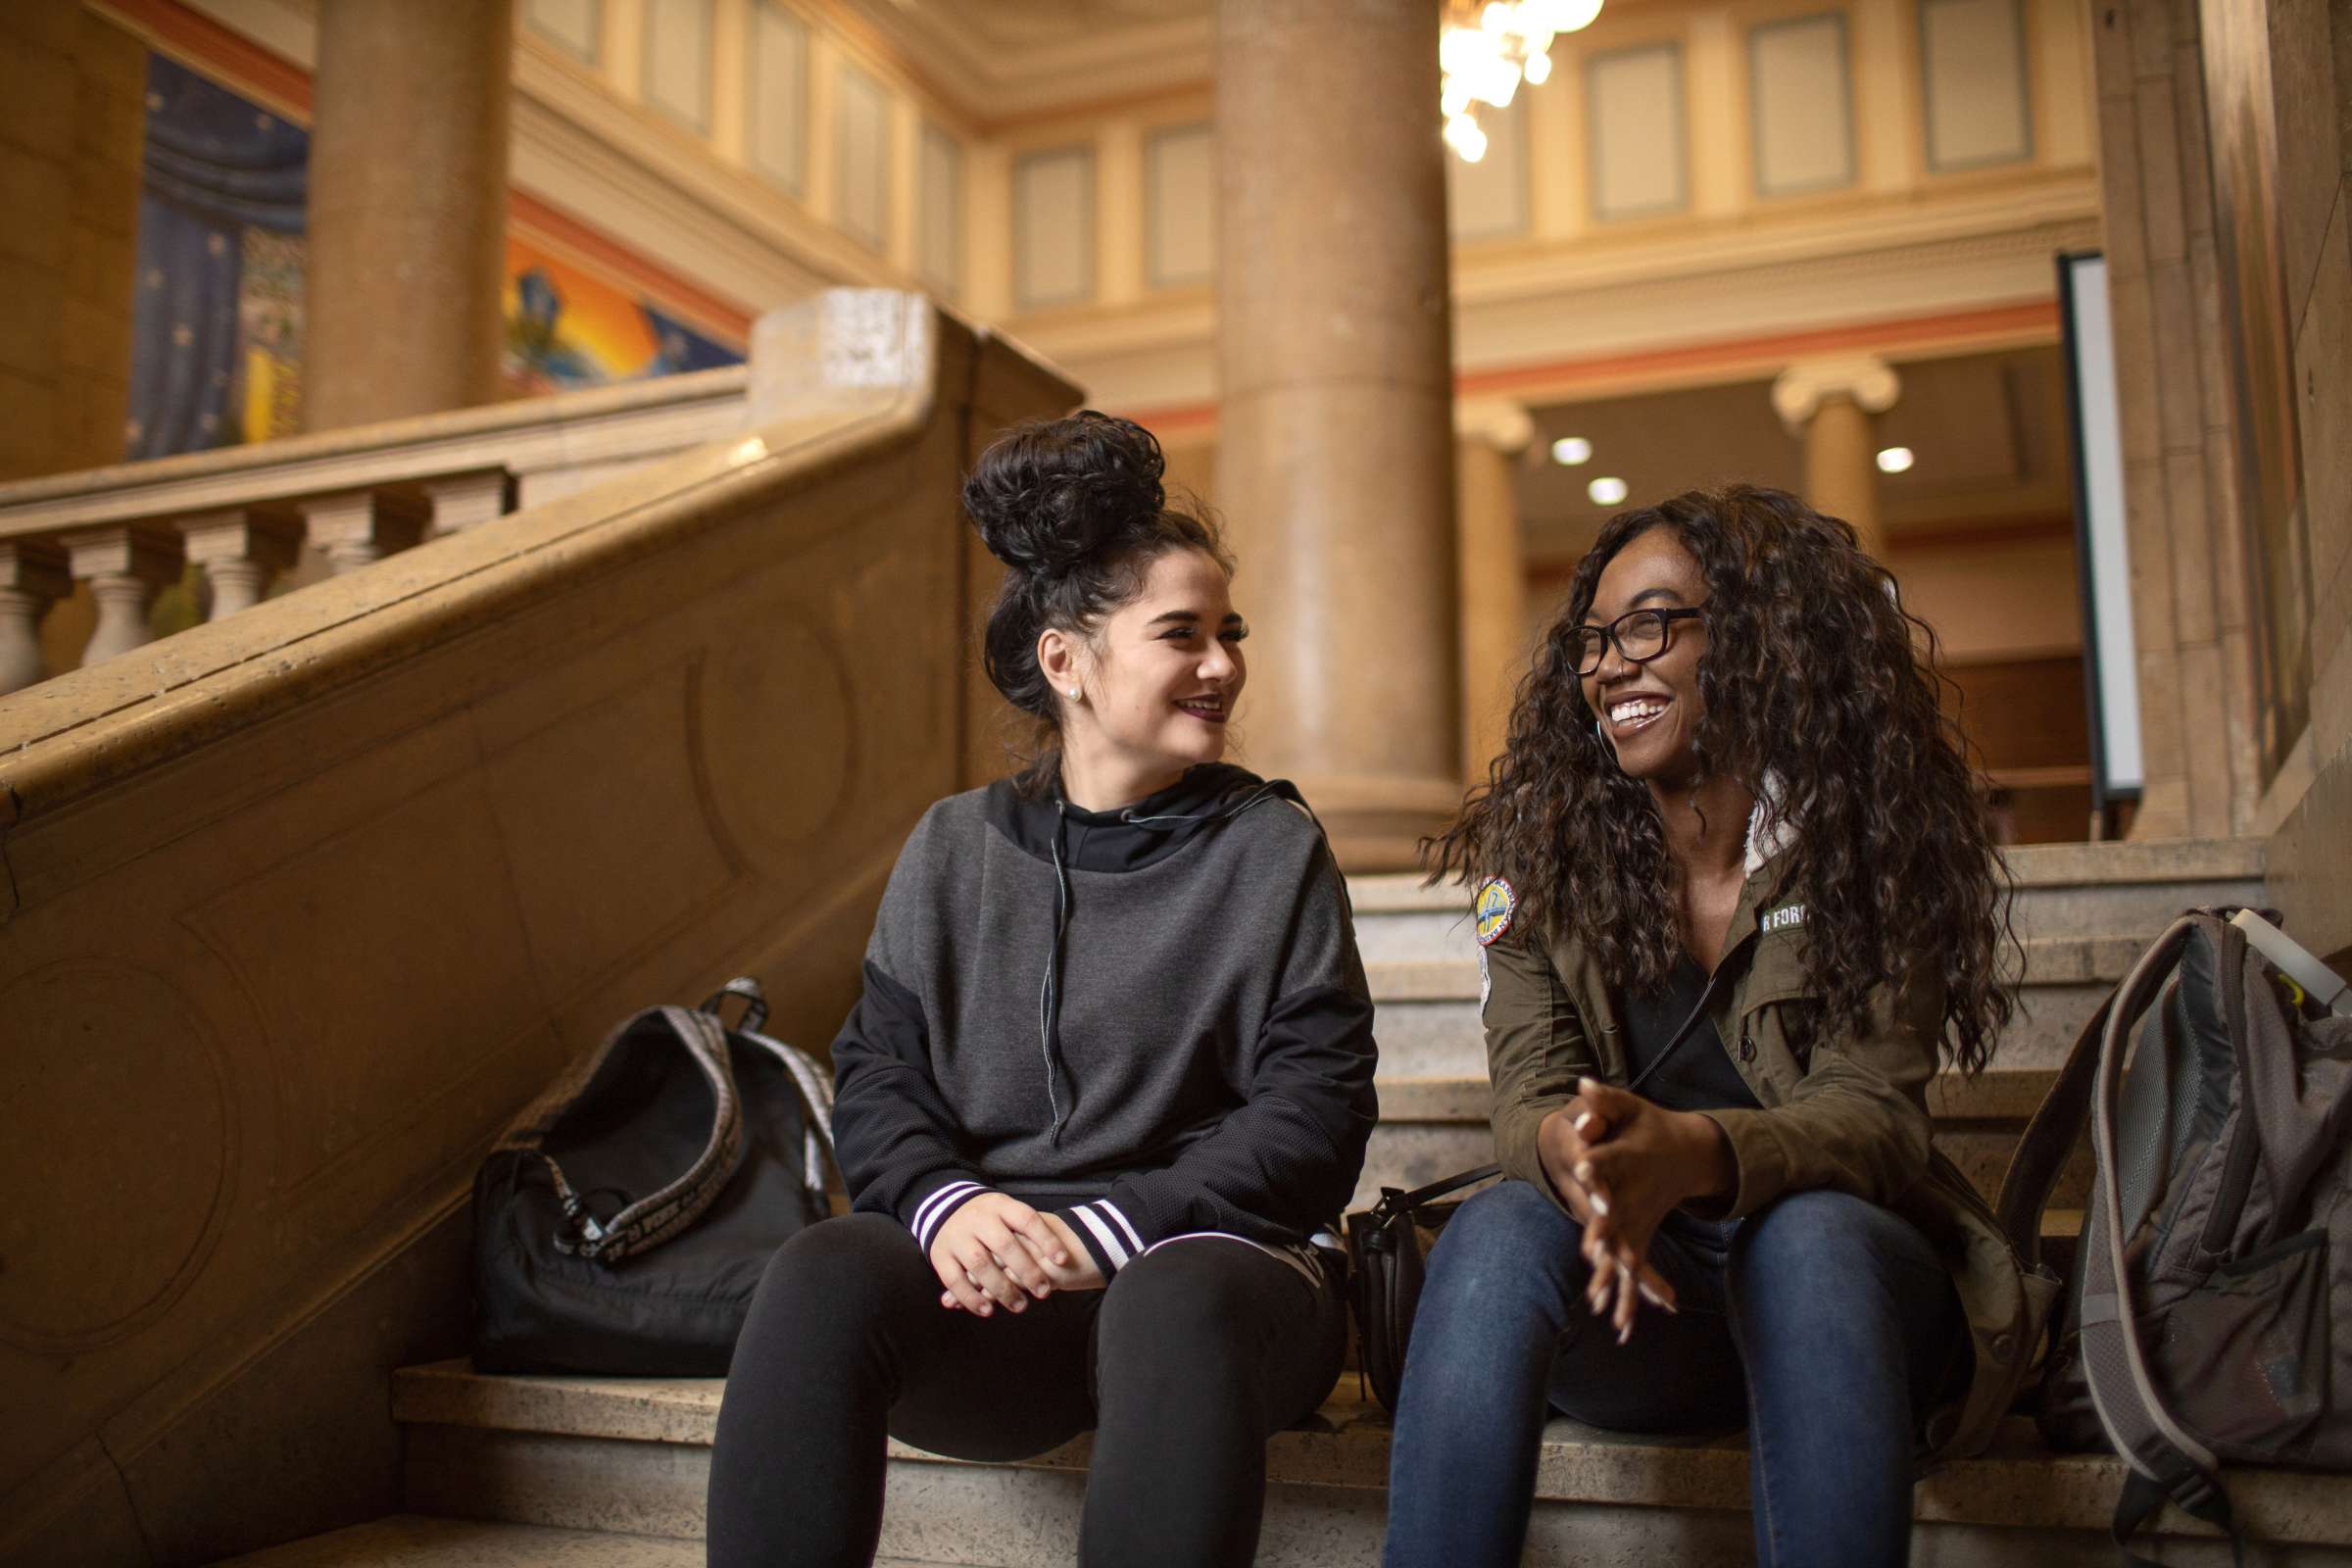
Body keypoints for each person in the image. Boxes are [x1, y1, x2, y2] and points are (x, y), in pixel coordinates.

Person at [707, 411, 1377, 1568]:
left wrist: (1107, 1232)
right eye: (1183, 635)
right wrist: (946, 1205)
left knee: (1170, 1301)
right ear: (1066, 662)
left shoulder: (1272, 849)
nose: (1223, 665)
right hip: (1005, 1300)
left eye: (1232, 633)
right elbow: (878, 1074)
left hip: (1216, 1283)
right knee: (824, 1271)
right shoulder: (956, 846)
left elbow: (1314, 1116)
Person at [1384, 485, 2038, 1568]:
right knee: (1500, 1228)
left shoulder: (1866, 838)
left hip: (1848, 1310)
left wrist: (1695, 1150)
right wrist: (1572, 1153)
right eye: (1592, 642)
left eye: (1649, 625)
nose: (1607, 667)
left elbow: (1875, 1121)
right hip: (1649, 1307)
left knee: (1811, 1236)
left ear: (1761, 641)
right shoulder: (1543, 859)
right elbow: (1527, 1094)